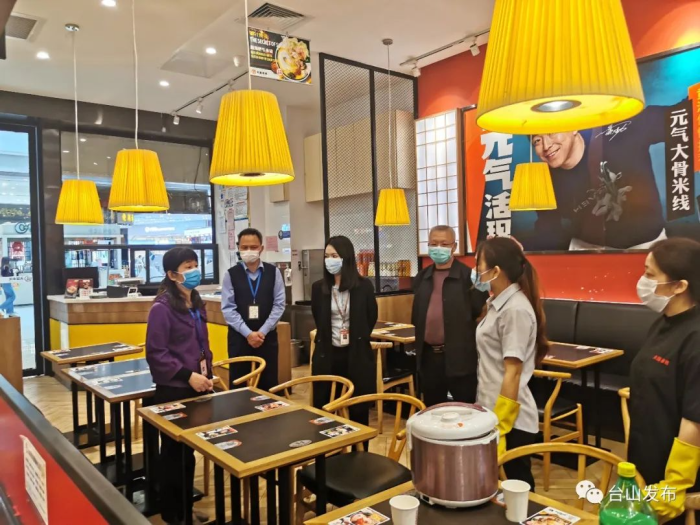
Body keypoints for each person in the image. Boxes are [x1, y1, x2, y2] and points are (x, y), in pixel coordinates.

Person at [528, 102, 681, 251]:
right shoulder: (543, 179)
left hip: (647, 245)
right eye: (537, 141)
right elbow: (548, 229)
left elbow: (680, 116)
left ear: (574, 127)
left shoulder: (620, 131)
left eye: (552, 132)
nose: (546, 146)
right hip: (587, 248)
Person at [628, 238, 700, 523]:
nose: (642, 282)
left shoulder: (695, 337)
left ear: (679, 286)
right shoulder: (663, 321)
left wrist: (675, 484)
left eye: (650, 274)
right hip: (646, 453)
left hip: (677, 470)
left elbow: (695, 420)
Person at [146, 247, 213, 525]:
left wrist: (207, 375)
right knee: (174, 455)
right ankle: (174, 515)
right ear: (172, 274)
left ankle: (186, 508)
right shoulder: (161, 308)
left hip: (198, 386)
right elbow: (156, 353)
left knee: (188, 454)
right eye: (188, 266)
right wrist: (188, 375)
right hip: (174, 389)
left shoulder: (196, 302)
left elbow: (201, 344)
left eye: (196, 264)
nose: (194, 270)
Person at [474, 236, 548, 488]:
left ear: (495, 271)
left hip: (510, 421)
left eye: (479, 265)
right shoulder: (496, 303)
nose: (476, 271)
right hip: (491, 411)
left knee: (517, 488)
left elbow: (513, 372)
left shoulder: (515, 309)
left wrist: (502, 423)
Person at [412, 225, 489, 407]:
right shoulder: (422, 277)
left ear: (454, 246)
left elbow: (482, 313)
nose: (438, 248)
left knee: (466, 410)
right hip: (429, 358)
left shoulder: (469, 277)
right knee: (433, 410)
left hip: (460, 359)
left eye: (444, 244)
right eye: (433, 244)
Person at [311, 236, 378, 425]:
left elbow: (370, 317)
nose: (329, 260)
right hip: (328, 354)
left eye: (334, 256)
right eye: (327, 256)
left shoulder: (364, 286)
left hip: (356, 354)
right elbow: (319, 318)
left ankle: (359, 444)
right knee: (325, 409)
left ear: (346, 257)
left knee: (358, 410)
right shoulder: (319, 288)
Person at [221, 228, 286, 390]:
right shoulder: (231, 274)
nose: (249, 250)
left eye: (253, 247)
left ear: (261, 248)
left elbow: (279, 305)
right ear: (238, 248)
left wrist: (262, 332)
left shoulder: (274, 272)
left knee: (268, 383)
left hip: (267, 338)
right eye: (244, 247)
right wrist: (248, 334)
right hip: (239, 339)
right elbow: (228, 308)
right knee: (239, 384)